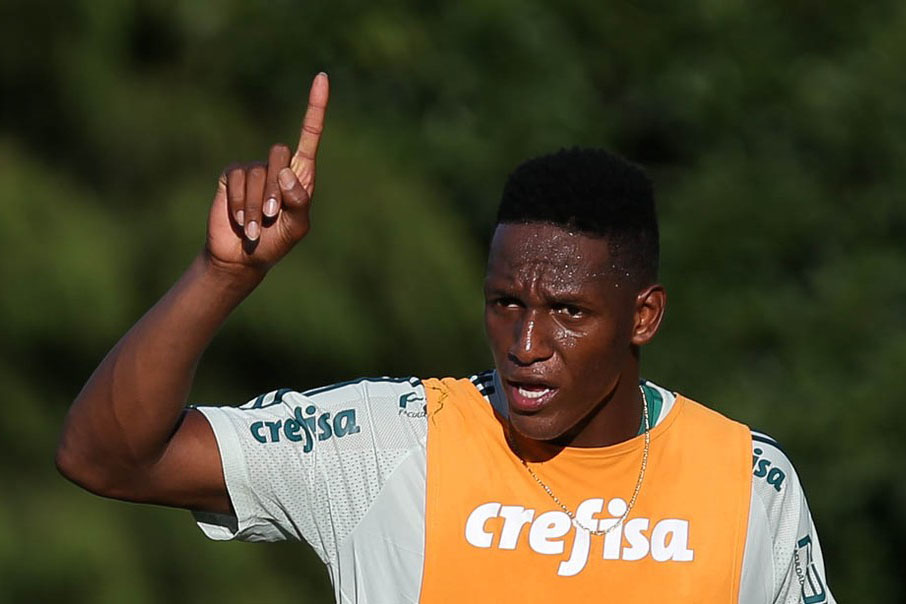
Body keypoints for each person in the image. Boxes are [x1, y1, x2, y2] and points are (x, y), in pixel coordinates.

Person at [56, 73, 834, 603]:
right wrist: (221, 275)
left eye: (568, 311)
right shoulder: (387, 443)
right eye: (504, 302)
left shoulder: (751, 482)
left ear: (644, 315)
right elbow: (105, 456)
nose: (525, 342)